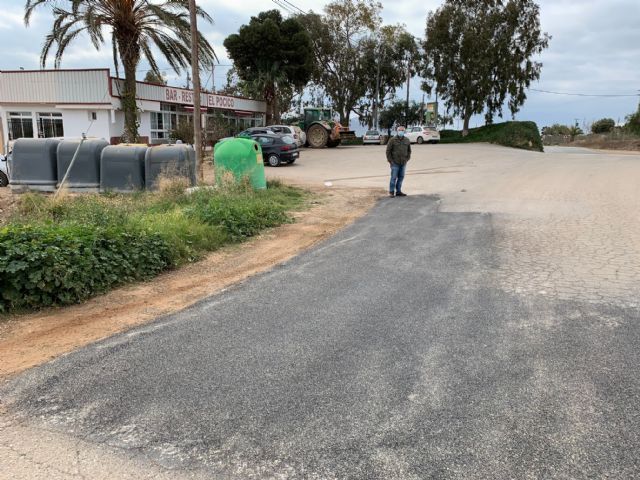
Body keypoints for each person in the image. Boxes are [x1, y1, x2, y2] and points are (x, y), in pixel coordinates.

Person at [385, 126, 411, 197]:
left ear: (404, 131)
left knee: (401, 177)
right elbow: (388, 151)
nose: (401, 132)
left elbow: (409, 151)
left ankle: (398, 191)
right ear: (397, 131)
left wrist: (407, 159)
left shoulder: (407, 140)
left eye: (402, 130)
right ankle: (391, 192)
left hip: (403, 163)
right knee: (393, 177)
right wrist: (390, 161)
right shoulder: (392, 140)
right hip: (395, 163)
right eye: (400, 130)